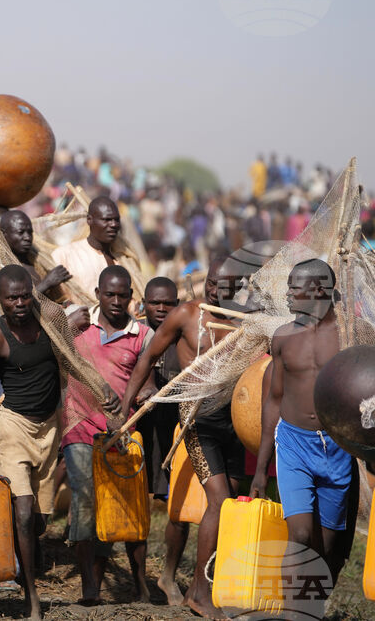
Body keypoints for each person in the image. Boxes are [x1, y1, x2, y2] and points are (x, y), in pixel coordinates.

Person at [119, 257, 242, 618]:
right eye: (217, 283)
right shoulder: (188, 315)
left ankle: (204, 585)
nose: (221, 291)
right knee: (217, 502)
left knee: (231, 506)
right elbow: (148, 357)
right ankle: (200, 594)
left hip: (234, 424)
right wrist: (124, 409)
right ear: (208, 282)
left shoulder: (245, 323)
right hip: (198, 423)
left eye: (231, 285)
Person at [250, 259, 353, 586]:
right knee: (299, 536)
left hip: (338, 448)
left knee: (326, 548)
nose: (288, 293)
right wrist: (260, 470)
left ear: (319, 289)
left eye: (295, 287)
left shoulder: (352, 334)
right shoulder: (283, 337)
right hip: (294, 444)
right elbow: (274, 401)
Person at [0, 265, 61, 621]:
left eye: (25, 296)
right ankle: (32, 597)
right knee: (22, 512)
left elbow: (73, 360)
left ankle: (25, 557)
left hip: (49, 427)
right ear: (1, 300)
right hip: (13, 428)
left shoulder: (50, 323)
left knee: (38, 521)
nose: (20, 303)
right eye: (12, 298)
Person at [61, 266, 153, 604]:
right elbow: (44, 340)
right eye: (109, 294)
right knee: (85, 501)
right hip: (79, 428)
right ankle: (91, 588)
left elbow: (149, 382)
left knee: (119, 507)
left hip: (121, 435)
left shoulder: (142, 335)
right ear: (97, 293)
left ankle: (137, 585)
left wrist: (143, 396)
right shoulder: (78, 325)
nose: (116, 301)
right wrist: (65, 327)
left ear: (132, 296)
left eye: (123, 295)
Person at [135, 276, 188, 605]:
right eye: (155, 303)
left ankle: (168, 575)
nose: (162, 309)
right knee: (136, 505)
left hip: (176, 431)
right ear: (143, 303)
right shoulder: (136, 334)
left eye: (169, 303)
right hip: (143, 431)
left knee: (179, 509)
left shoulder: (187, 335)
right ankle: (138, 580)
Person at [51, 197, 121, 302]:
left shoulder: (123, 258)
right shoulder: (64, 255)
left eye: (116, 220)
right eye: (107, 220)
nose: (113, 224)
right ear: (89, 220)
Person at [0, 210, 71, 297]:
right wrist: (47, 283)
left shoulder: (36, 259)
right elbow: (18, 302)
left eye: (30, 232)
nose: (27, 237)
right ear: (4, 234)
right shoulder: (0, 265)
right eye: (20, 232)